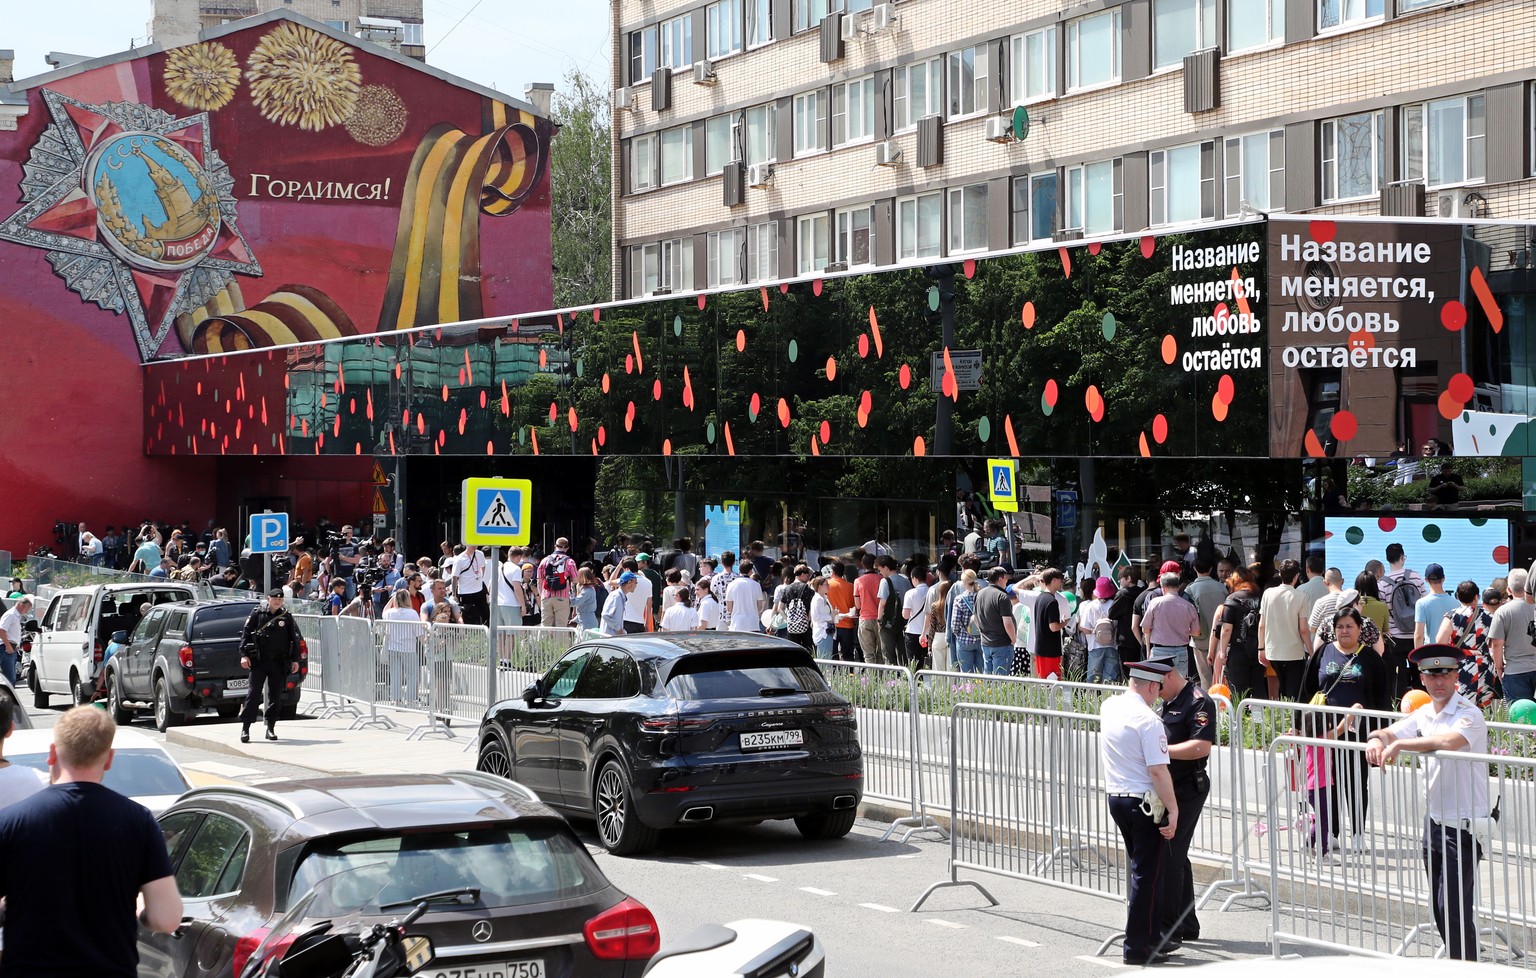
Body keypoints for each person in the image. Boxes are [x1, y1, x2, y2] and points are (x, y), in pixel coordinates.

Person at [0, 707, 183, 974]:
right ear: (109, 759)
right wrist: (138, 910)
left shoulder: (11, 821)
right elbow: (166, 919)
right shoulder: (139, 821)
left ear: (52, 753)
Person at [1365, 645, 1489, 961]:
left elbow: (1448, 741)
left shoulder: (1468, 714)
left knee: (1454, 909)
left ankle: (1467, 967)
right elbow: (1388, 732)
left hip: (1462, 825)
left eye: (1445, 674)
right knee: (1439, 907)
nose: (1439, 681)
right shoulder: (1425, 713)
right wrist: (1376, 739)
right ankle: (1461, 963)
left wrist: (1402, 743)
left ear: (1456, 676)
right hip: (1433, 822)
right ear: (1422, 678)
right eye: (1432, 675)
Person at [1099, 660, 1179, 966]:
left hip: (1117, 797)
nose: (1158, 695)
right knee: (1147, 875)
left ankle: (1151, 937)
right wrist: (1173, 808)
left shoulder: (1110, 706)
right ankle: (1137, 947)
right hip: (1143, 802)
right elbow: (1158, 771)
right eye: (1157, 689)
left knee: (1146, 872)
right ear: (1150, 686)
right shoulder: (1149, 721)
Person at [1298, 609, 1392, 853]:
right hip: (1325, 731)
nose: (1344, 631)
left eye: (1350, 626)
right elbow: (1306, 690)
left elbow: (1382, 699)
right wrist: (1298, 725)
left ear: (1360, 629)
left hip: (1358, 733)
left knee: (1356, 781)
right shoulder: (1322, 653)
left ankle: (1359, 833)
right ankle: (1333, 831)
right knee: (1329, 782)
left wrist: (1381, 735)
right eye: (1340, 626)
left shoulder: (1371, 658)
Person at [1149, 652, 1215, 947]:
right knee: (1176, 853)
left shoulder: (1199, 701)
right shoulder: (1168, 701)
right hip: (1168, 786)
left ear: (1169, 675)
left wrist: (1161, 752)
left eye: (1156, 684)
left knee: (1170, 853)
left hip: (1188, 787)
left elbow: (1201, 746)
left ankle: (1169, 928)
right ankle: (1187, 922)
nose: (1154, 690)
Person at [238, 588, 303, 743]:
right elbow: (246, 634)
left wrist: (295, 660)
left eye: (280, 599)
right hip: (259, 661)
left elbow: (294, 640)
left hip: (279, 662)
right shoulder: (258, 613)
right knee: (253, 695)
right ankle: (246, 728)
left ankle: (270, 728)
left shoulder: (286, 617)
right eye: (274, 599)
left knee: (275, 696)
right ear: (268, 599)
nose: (277, 601)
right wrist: (243, 655)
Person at [1298, 706, 1357, 860]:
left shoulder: (1307, 740)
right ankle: (1322, 853)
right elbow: (1341, 729)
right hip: (1320, 786)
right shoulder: (1323, 738)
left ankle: (1308, 845)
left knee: (1321, 817)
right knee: (1324, 820)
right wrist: (1354, 710)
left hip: (1310, 786)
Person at [1435, 583, 1499, 708]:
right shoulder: (1489, 616)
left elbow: (1440, 641)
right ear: (1477, 597)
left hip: (1462, 666)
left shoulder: (1451, 616)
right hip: (1485, 666)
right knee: (1485, 708)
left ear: (1458, 597)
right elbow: (1495, 642)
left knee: (1462, 707)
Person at [1258, 559, 1310, 699]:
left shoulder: (1268, 593)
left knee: (1279, 690)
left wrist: (1261, 649)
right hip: (1294, 652)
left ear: (1280, 573)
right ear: (1297, 576)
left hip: (1272, 651)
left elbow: (1262, 624)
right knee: (1293, 693)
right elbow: (1303, 629)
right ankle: (1292, 720)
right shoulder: (1301, 597)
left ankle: (1282, 720)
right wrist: (1311, 651)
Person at [1377, 544, 1424, 698]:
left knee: (1398, 677)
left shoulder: (1382, 583)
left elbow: (1383, 609)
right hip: (1416, 635)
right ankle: (1422, 705)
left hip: (1395, 637)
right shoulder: (1415, 576)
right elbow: (1424, 601)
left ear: (1387, 559)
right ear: (1403, 557)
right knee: (1420, 674)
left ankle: (1401, 708)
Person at [1213, 567, 1262, 699]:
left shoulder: (1232, 599)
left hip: (1238, 650)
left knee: (1238, 691)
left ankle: (1241, 718)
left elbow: (1226, 629)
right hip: (1258, 649)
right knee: (1258, 689)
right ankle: (1258, 718)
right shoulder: (1260, 597)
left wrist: (1222, 651)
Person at [1489, 568, 1536, 703]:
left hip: (1515, 671)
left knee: (1520, 716)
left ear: (1509, 590)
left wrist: (1499, 667)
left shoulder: (1502, 612)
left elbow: (1497, 644)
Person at [1142, 571, 1199, 679]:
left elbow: (1146, 629)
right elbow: (1196, 632)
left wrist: (1148, 650)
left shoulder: (1155, 603)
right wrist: (1184, 630)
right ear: (1178, 587)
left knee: (1158, 685)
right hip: (1181, 651)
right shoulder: (1188, 606)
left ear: (1162, 587)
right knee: (1179, 686)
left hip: (1159, 650)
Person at [1185, 557, 1226, 689]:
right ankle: (1223, 704)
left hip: (1200, 638)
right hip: (1221, 637)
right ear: (1211, 569)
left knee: (1205, 678)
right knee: (1221, 676)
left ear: (1195, 569)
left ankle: (1208, 705)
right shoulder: (1222, 588)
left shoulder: (1189, 590)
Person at [381, 589, 424, 705]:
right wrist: (425, 642)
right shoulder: (412, 613)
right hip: (408, 647)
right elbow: (419, 633)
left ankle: (396, 699)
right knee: (411, 674)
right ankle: (410, 699)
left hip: (393, 647)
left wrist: (392, 598)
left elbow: (384, 610)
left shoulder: (389, 613)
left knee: (395, 674)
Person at [974, 567, 1017, 675]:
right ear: (1000, 579)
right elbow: (1007, 622)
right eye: (1006, 577)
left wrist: (982, 631)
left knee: (988, 678)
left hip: (985, 642)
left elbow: (974, 618)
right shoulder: (1002, 596)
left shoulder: (979, 594)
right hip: (1002, 644)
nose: (1007, 580)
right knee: (1001, 679)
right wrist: (1013, 639)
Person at [1078, 576, 1119, 683]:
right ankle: (1109, 697)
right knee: (1110, 678)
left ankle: (1092, 698)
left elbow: (1084, 627)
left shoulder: (1090, 606)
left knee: (1093, 678)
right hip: (1112, 646)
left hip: (1095, 646)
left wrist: (1093, 632)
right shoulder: (1114, 605)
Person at [1414, 564, 1457, 650]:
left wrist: (1419, 658)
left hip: (1430, 653)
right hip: (1451, 653)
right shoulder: (1456, 603)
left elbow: (1419, 635)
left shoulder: (1421, 603)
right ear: (1443, 579)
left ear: (1426, 579)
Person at [537, 538, 578, 627]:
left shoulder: (544, 561)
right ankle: (560, 641)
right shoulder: (569, 561)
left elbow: (539, 579)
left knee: (545, 625)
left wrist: (541, 595)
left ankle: (543, 641)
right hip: (562, 597)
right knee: (561, 625)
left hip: (546, 596)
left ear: (555, 546)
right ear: (567, 548)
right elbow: (575, 580)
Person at [948, 570, 983, 673]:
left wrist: (959, 634)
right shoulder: (981, 596)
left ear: (964, 582)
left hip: (965, 639)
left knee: (966, 673)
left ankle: (968, 689)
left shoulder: (960, 599)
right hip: (981, 638)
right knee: (981, 672)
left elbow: (955, 623)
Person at [852, 554, 883, 663]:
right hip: (880, 618)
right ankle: (881, 678)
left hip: (865, 618)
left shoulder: (858, 581)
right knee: (881, 653)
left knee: (868, 655)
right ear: (875, 564)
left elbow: (858, 605)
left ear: (862, 564)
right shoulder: (882, 579)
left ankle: (872, 679)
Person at [451, 544, 490, 626]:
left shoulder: (480, 554)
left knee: (486, 614)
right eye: (473, 544)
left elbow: (483, 566)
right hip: (466, 592)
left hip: (479, 589)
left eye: (476, 544)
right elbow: (454, 578)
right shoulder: (460, 559)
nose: (475, 546)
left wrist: (480, 577)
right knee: (469, 616)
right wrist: (454, 594)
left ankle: (487, 633)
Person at [826, 561, 857, 661]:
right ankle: (850, 675)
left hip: (831, 624)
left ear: (832, 572)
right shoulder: (850, 586)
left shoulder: (826, 585)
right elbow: (854, 606)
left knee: (832, 654)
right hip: (847, 624)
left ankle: (833, 675)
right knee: (848, 655)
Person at [724, 563, 765, 633]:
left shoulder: (731, 585)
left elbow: (729, 608)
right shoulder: (756, 585)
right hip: (752, 624)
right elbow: (760, 607)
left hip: (737, 623)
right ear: (750, 571)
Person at [901, 568, 930, 668]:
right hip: (928, 633)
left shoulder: (910, 593)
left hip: (913, 632)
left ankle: (916, 683)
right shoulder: (932, 591)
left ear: (915, 578)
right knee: (928, 662)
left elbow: (906, 615)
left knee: (914, 663)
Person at [0, 597, 29, 685]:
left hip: (10, 648)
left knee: (10, 679)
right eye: (26, 609)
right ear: (21, 605)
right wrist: (8, 645)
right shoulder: (11, 614)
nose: (27, 611)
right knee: (10, 679)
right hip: (5, 648)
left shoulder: (15, 615)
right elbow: (1, 630)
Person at [601, 572, 638, 637]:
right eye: (635, 582)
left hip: (613, 637)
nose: (636, 585)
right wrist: (618, 629)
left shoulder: (620, 596)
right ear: (629, 582)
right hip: (608, 638)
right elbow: (605, 615)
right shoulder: (616, 596)